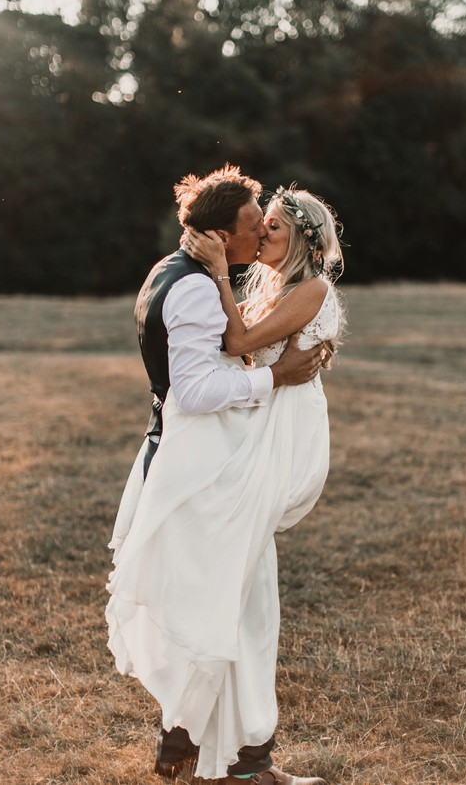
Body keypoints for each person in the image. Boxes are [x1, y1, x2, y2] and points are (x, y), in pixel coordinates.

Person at [106, 166, 342, 785]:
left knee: (240, 600)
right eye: (255, 225)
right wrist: (272, 371)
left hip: (268, 444)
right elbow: (205, 380)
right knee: (237, 602)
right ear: (221, 233)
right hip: (239, 448)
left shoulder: (288, 287)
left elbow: (236, 344)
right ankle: (211, 747)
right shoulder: (205, 283)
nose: (260, 234)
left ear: (300, 239)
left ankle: (216, 748)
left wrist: (219, 280)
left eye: (272, 227)